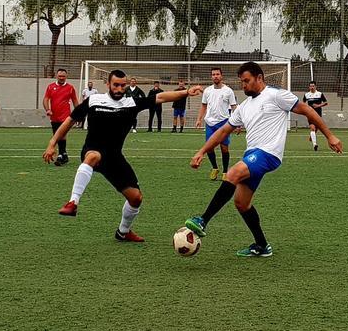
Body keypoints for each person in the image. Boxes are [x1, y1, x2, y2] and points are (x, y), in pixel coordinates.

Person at [183, 61, 341, 257]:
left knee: (232, 173)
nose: (244, 85)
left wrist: (330, 136)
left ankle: (203, 220)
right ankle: (261, 245)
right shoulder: (244, 107)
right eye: (241, 82)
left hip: (269, 153)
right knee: (242, 203)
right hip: (253, 155)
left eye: (247, 81)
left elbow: (308, 111)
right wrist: (201, 151)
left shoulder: (276, 95)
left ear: (259, 78)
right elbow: (224, 130)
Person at [45, 70, 202, 242]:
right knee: (92, 157)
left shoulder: (131, 103)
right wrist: (52, 144)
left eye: (122, 85)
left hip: (114, 158)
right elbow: (70, 121)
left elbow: (162, 97)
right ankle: (73, 202)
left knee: (136, 198)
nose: (119, 89)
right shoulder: (94, 100)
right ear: (108, 85)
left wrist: (186, 92)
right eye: (116, 85)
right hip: (93, 149)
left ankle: (123, 231)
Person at [195, 67, 238, 181]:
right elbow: (203, 105)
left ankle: (225, 171)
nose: (215, 76)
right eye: (213, 74)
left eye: (217, 74)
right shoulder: (208, 91)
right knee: (209, 148)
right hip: (210, 123)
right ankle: (214, 168)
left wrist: (238, 122)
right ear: (211, 76)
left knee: (224, 148)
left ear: (221, 76)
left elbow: (234, 107)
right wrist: (199, 119)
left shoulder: (228, 91)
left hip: (224, 123)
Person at [43, 67, 79, 166]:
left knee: (61, 134)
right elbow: (45, 99)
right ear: (56, 76)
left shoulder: (70, 88)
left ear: (66, 76)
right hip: (54, 116)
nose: (61, 78)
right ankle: (64, 154)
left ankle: (60, 155)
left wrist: (79, 113)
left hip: (66, 116)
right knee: (56, 134)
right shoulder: (50, 87)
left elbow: (75, 101)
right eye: (60, 76)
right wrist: (48, 109)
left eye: (63, 76)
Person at [303, 81, 328, 150]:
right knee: (312, 128)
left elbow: (326, 102)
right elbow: (303, 104)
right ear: (309, 87)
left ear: (315, 86)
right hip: (310, 114)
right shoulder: (306, 95)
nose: (312, 87)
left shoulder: (320, 94)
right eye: (310, 86)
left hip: (318, 114)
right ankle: (315, 145)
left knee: (316, 129)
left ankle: (312, 136)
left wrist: (318, 106)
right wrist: (306, 110)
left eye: (313, 86)